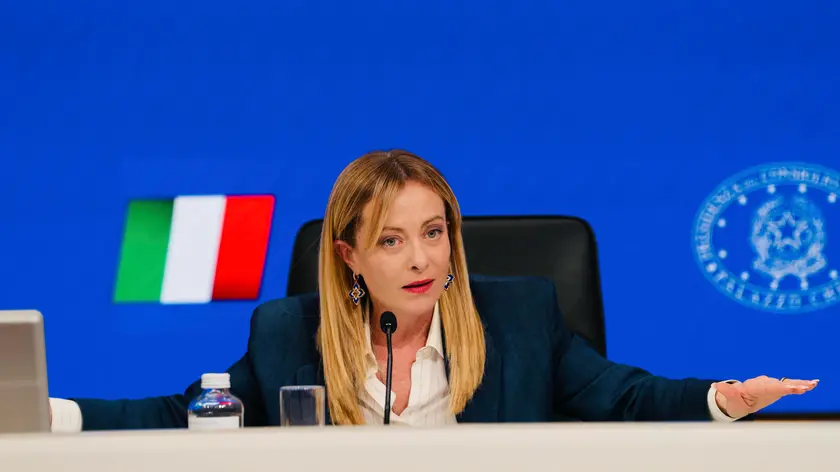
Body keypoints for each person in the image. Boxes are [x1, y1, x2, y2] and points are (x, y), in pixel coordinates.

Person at [49, 149, 818, 431]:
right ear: (348, 256)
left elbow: (625, 397)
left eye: (433, 231)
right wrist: (49, 414)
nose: (421, 259)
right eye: (390, 240)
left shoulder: (520, 316)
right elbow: (183, 415)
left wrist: (723, 398)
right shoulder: (287, 332)